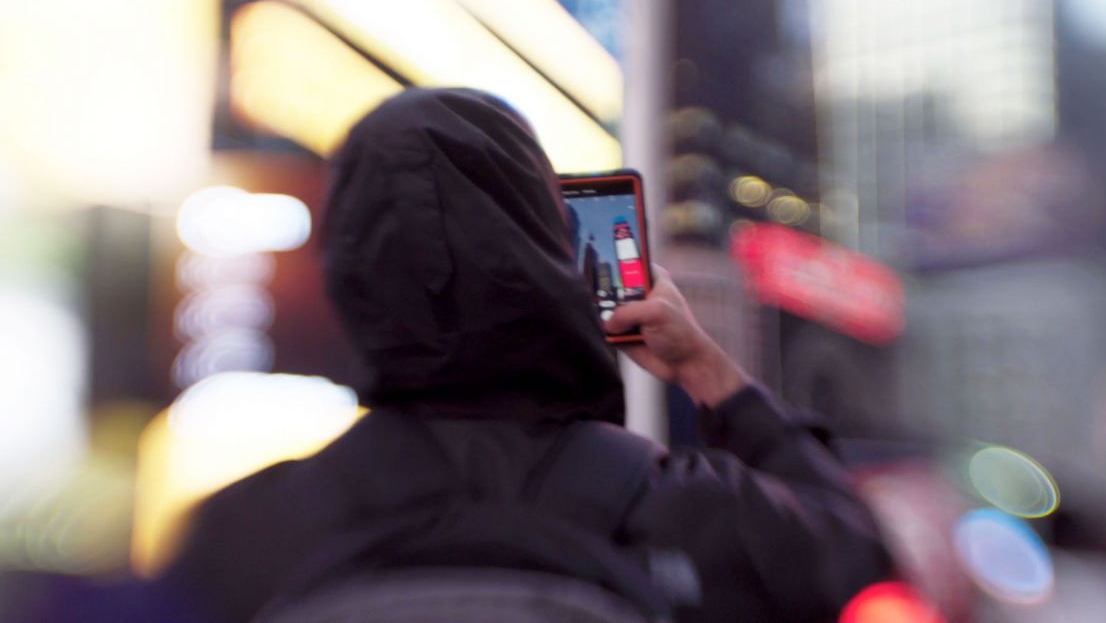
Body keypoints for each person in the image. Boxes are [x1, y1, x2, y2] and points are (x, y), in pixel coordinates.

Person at [157, 88, 893, 622]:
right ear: (552, 250)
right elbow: (855, 554)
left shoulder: (239, 531)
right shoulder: (678, 504)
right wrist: (709, 370)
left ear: (347, 276)